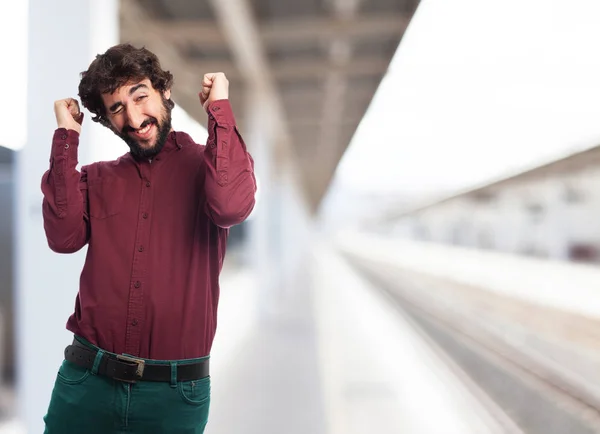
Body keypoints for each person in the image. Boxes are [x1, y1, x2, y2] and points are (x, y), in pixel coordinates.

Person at [40, 43, 257, 433]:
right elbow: (63, 236)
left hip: (174, 396)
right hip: (87, 383)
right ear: (107, 121)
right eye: (117, 108)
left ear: (164, 92)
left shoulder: (209, 166)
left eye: (140, 96)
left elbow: (230, 206)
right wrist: (65, 137)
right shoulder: (97, 178)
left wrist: (218, 109)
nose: (135, 117)